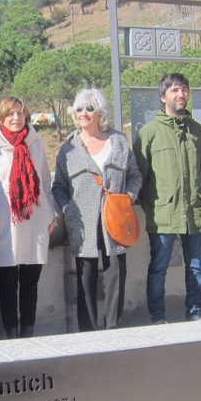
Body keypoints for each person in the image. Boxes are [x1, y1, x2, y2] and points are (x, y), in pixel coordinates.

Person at [53, 88, 142, 331]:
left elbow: (134, 175)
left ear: (100, 112)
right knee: (85, 279)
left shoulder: (119, 142)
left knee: (115, 275)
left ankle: (113, 328)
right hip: (82, 223)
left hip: (115, 219)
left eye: (89, 108)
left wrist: (128, 197)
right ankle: (88, 331)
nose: (83, 113)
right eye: (79, 108)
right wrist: (68, 208)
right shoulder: (68, 148)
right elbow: (58, 185)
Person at [134, 73, 201, 324]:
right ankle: (158, 317)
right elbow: (140, 177)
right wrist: (156, 204)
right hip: (162, 213)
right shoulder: (149, 132)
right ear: (163, 96)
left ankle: (195, 312)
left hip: (193, 212)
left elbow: (199, 168)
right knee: (158, 269)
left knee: (196, 267)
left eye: (185, 89)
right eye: (175, 90)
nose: (181, 94)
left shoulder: (198, 131)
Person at [0, 96, 56, 338]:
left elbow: (44, 179)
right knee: (8, 282)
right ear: (0, 117)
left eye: (20, 113)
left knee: (31, 281)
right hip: (3, 223)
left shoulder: (34, 141)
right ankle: (11, 333)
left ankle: (28, 331)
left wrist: (51, 214)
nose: (16, 118)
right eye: (10, 114)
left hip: (34, 218)